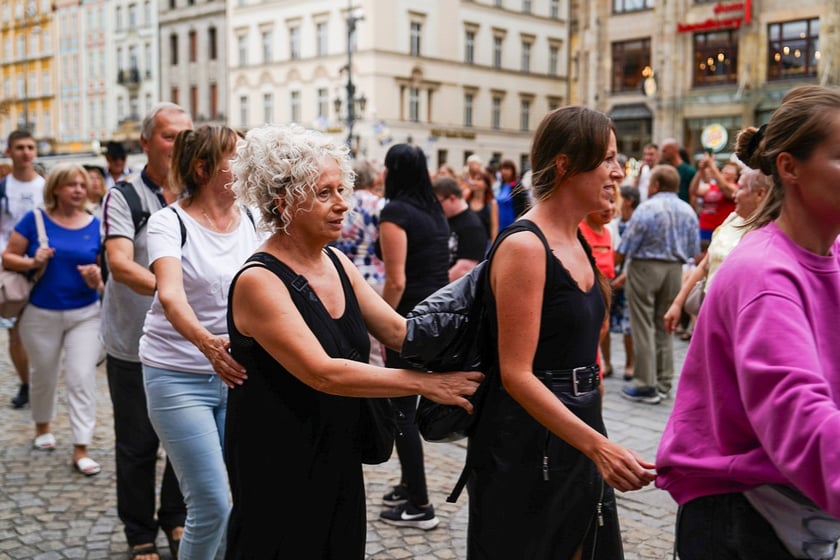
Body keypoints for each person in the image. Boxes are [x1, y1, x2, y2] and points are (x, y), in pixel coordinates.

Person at [223, 124, 482, 558]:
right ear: (284, 202)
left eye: (341, 189)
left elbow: (401, 332)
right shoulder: (259, 280)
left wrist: (487, 296)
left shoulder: (336, 261)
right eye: (325, 193)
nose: (343, 203)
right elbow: (323, 372)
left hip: (336, 448)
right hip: (277, 457)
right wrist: (425, 384)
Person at [657, 84, 840, 559]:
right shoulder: (764, 274)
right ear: (789, 166)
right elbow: (800, 419)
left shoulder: (829, 252)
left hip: (791, 509)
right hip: (741, 518)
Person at [464, 106, 656, 559]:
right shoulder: (526, 247)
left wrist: (596, 436)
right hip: (530, 447)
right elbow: (516, 374)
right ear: (567, 165)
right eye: (607, 158)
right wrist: (600, 448)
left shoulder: (576, 238)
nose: (617, 170)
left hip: (577, 432)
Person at [138, 124, 260, 560]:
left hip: (238, 376)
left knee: (246, 500)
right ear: (203, 166)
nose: (248, 165)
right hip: (177, 375)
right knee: (211, 503)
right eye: (237, 158)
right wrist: (208, 344)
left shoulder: (251, 216)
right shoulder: (168, 222)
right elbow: (169, 294)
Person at [100, 102, 192, 560]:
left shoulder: (200, 194)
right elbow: (119, 264)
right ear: (145, 143)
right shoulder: (125, 196)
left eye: (185, 135)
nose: (179, 144)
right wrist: (177, 292)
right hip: (135, 344)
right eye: (169, 135)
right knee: (137, 445)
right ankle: (139, 532)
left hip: (190, 343)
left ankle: (175, 518)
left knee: (185, 439)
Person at [1, 163, 103, 474]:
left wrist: (95, 278)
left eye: (82, 185)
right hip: (40, 312)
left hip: (85, 313)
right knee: (43, 373)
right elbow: (8, 257)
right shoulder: (35, 220)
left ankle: (81, 447)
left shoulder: (95, 224)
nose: (78, 190)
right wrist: (33, 260)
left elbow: (101, 274)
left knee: (81, 376)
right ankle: (43, 427)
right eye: (71, 184)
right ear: (55, 188)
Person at [376, 143, 451, 529]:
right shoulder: (433, 212)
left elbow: (396, 280)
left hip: (406, 322)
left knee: (401, 410)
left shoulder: (395, 213)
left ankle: (420, 504)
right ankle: (409, 485)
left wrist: (378, 323)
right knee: (406, 406)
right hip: (437, 320)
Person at [616, 165, 699, 404]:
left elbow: (626, 245)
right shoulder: (688, 210)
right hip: (674, 268)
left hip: (645, 266)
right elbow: (694, 250)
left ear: (655, 185)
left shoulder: (647, 208)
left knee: (642, 324)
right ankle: (664, 382)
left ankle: (645, 384)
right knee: (665, 325)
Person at [663, 168, 770, 334]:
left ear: (760, 194)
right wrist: (678, 303)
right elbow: (705, 265)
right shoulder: (732, 219)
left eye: (740, 188)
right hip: (710, 309)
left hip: (736, 319)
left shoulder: (767, 233)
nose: (734, 194)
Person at [1, 130, 45, 410]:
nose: (26, 152)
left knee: (44, 327)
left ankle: (42, 379)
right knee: (15, 330)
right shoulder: (3, 187)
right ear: (9, 151)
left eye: (30, 147)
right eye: (20, 147)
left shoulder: (47, 186)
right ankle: (26, 383)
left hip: (44, 265)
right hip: (12, 265)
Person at [336, 158, 386, 366]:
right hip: (375, 276)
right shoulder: (380, 205)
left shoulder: (341, 203)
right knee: (374, 344)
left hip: (341, 276)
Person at [579, 187, 617, 377]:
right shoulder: (579, 231)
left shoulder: (609, 232)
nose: (608, 208)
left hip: (603, 302)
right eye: (603, 202)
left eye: (612, 201)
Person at [608, 185, 640, 382]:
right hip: (610, 277)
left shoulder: (638, 221)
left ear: (627, 200)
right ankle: (607, 362)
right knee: (605, 322)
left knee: (629, 325)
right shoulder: (613, 222)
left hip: (630, 278)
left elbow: (639, 255)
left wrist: (625, 275)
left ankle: (630, 363)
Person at [433, 177, 489, 281]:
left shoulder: (472, 226)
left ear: (452, 198)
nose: (436, 208)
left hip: (452, 292)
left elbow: (464, 268)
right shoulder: (445, 219)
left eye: (438, 203)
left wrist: (436, 287)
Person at [689, 154, 739, 246]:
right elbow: (694, 190)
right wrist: (701, 170)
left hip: (721, 230)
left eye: (730, 168)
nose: (726, 170)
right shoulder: (712, 187)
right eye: (725, 167)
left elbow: (725, 187)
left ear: (736, 175)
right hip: (704, 228)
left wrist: (711, 165)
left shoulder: (736, 188)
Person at [465, 170, 499, 243]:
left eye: (479, 179)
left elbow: (494, 227)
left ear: (486, 184)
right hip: (467, 242)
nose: (474, 182)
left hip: (485, 244)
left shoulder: (492, 203)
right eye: (474, 179)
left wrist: (493, 247)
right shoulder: (466, 200)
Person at [495, 159, 529, 231]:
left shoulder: (517, 186)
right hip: (500, 223)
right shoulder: (500, 186)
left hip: (513, 223)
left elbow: (523, 207)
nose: (504, 171)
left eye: (507, 169)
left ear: (513, 171)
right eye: (502, 169)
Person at [660, 138, 696, 206]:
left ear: (673, 150)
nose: (662, 154)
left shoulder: (689, 171)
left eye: (664, 151)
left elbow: (693, 196)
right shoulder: (665, 170)